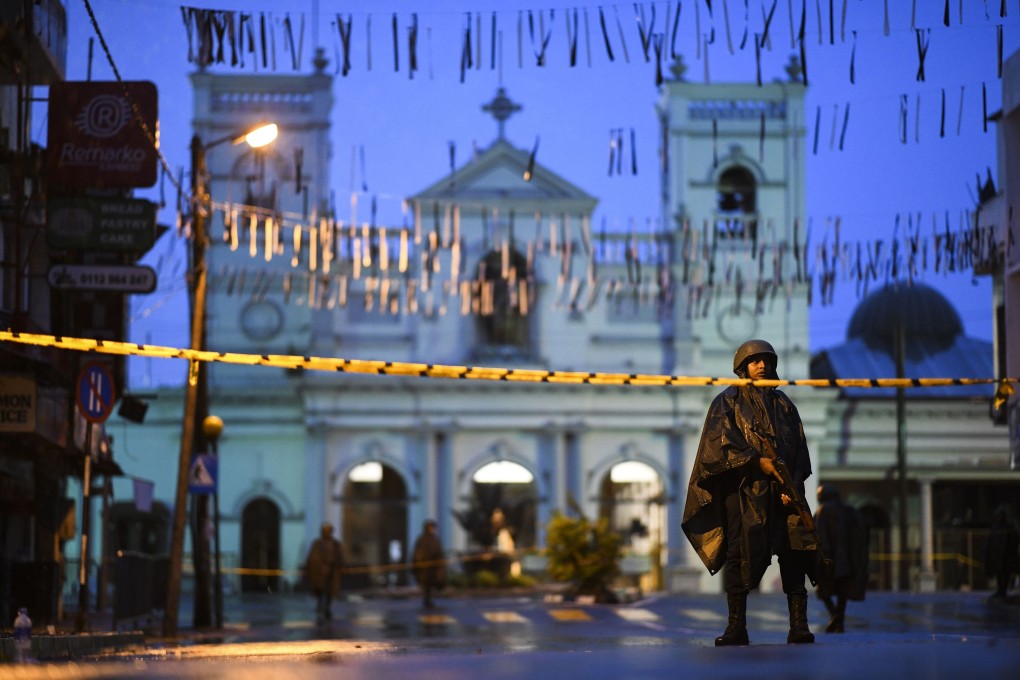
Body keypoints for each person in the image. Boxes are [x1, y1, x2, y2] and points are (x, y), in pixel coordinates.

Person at [682, 338, 819, 646]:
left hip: (784, 494)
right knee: (738, 555)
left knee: (794, 554)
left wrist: (793, 486)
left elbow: (799, 450)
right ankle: (736, 627)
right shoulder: (727, 401)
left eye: (766, 360)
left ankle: (798, 626)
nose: (762, 365)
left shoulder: (784, 405)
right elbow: (717, 450)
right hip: (744, 493)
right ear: (742, 367)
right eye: (755, 360)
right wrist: (757, 462)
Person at [814, 484, 868, 632]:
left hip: (828, 557)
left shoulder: (823, 510)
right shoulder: (848, 509)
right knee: (842, 591)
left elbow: (819, 535)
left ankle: (835, 616)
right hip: (847, 559)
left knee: (823, 590)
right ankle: (839, 620)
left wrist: (819, 558)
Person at [305, 522, 344, 624]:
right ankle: (320, 606)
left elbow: (339, 557)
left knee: (330, 592)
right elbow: (312, 557)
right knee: (320, 591)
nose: (326, 532)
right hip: (320, 572)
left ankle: (327, 608)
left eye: (328, 530)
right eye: (324, 531)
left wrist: (337, 564)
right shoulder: (317, 543)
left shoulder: (335, 544)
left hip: (331, 572)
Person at [984, 506, 1019, 599]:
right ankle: (1000, 591)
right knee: (1000, 575)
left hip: (1005, 558)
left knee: (1004, 575)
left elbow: (1013, 544)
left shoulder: (1009, 529)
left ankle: (1002, 591)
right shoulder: (996, 529)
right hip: (998, 557)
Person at [412, 519, 446, 609]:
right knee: (426, 585)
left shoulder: (435, 539)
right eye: (431, 527)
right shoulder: (422, 539)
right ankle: (426, 600)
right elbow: (417, 553)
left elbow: (439, 552)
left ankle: (428, 600)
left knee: (431, 585)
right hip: (424, 568)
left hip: (432, 568)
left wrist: (440, 566)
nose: (432, 529)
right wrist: (418, 565)